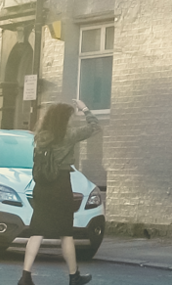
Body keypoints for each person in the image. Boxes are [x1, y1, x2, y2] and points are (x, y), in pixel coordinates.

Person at [19, 100, 102, 285]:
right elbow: (95, 127)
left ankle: (25, 275)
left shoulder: (40, 136)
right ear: (64, 119)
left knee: (36, 232)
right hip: (60, 185)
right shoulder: (68, 135)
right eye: (70, 117)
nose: (72, 121)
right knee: (66, 233)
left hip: (41, 187)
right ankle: (74, 276)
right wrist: (85, 109)